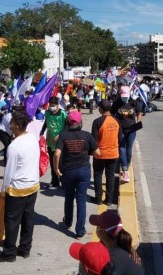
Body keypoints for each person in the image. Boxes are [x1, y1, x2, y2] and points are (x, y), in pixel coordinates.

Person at [0, 110, 40, 263]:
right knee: (28, 218)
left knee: (12, 221)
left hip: (18, 188)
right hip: (33, 185)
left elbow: (9, 172)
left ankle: (9, 252)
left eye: (11, 123)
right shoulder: (32, 138)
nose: (9, 125)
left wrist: (3, 191)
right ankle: (25, 248)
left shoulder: (14, 147)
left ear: (17, 126)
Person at [54, 111, 100, 239]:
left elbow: (57, 154)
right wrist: (86, 151)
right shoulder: (87, 136)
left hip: (68, 171)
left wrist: (56, 168)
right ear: (80, 122)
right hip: (83, 170)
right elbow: (98, 153)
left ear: (68, 123)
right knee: (81, 200)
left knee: (69, 197)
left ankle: (68, 222)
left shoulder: (63, 136)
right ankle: (80, 231)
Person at [90, 210, 143, 274]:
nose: (96, 227)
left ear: (103, 233)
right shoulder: (121, 245)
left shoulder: (112, 261)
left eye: (97, 225)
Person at [91, 99, 121, 206]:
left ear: (100, 109)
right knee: (110, 175)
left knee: (98, 175)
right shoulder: (116, 121)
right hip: (113, 153)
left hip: (100, 154)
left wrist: (91, 152)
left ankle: (98, 199)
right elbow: (120, 138)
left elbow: (93, 140)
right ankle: (108, 200)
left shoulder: (97, 122)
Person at [111, 96, 142, 184]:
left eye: (126, 96)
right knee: (121, 149)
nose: (124, 98)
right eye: (123, 96)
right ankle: (125, 170)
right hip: (120, 130)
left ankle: (126, 165)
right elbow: (112, 114)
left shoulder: (134, 103)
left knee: (129, 149)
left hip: (131, 130)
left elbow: (139, 113)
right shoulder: (117, 103)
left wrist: (138, 122)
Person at [39, 97, 67, 189]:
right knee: (52, 161)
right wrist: (42, 132)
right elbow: (46, 123)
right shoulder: (47, 113)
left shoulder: (63, 114)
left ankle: (64, 181)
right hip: (50, 140)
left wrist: (60, 135)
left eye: (53, 106)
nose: (51, 107)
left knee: (61, 161)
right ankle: (55, 181)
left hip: (60, 140)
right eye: (50, 105)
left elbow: (67, 126)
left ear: (57, 105)